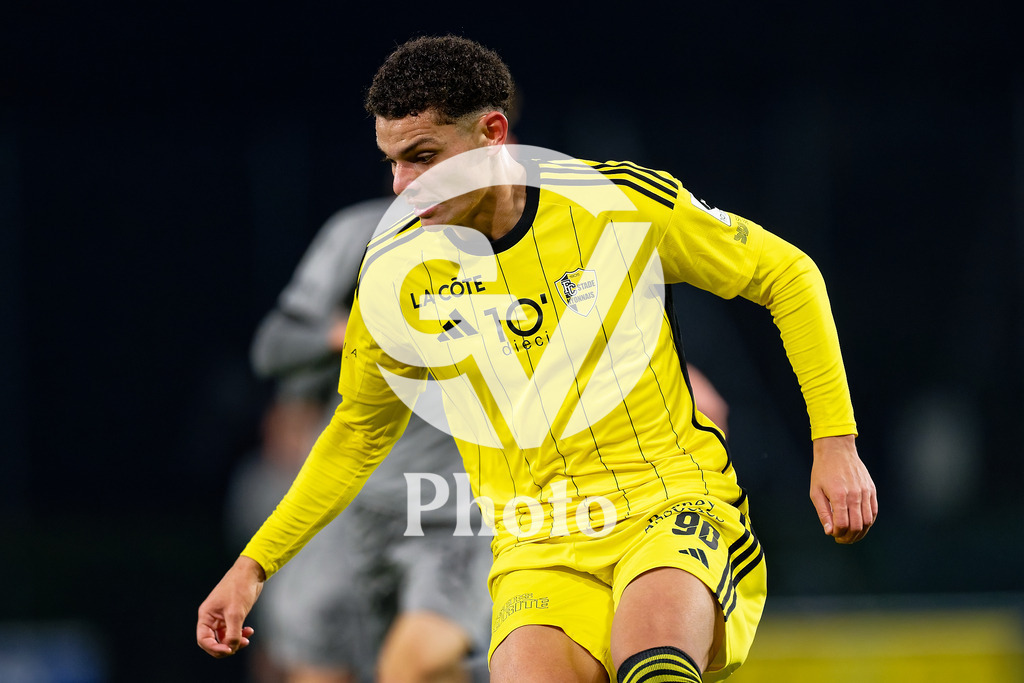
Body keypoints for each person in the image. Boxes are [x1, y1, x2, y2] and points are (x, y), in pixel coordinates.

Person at [198, 35, 877, 683]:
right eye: (393, 161)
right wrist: (253, 566)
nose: (403, 185)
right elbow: (355, 434)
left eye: (424, 156)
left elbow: (786, 274)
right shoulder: (396, 274)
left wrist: (835, 443)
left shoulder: (613, 204)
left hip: (666, 507)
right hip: (535, 546)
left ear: (492, 133)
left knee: (655, 664)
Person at [240, 195, 496, 683]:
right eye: (402, 162)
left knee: (413, 666)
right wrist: (350, 333)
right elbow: (273, 348)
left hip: (453, 509)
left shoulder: (526, 237)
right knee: (316, 656)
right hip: (354, 505)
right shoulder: (358, 234)